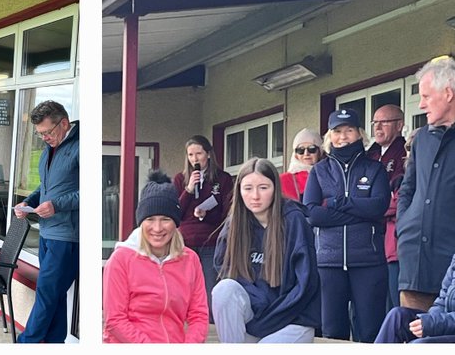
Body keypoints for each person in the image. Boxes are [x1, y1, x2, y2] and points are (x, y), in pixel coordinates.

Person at [214, 158, 321, 343]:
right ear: (239, 191)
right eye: (248, 188)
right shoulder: (234, 224)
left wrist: (267, 320)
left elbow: (305, 285)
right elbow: (224, 270)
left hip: (292, 320)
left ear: (275, 189)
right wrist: (258, 301)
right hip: (255, 318)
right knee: (224, 290)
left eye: (263, 187)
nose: (255, 196)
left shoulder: (294, 221)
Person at [304, 110, 389, 341]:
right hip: (328, 264)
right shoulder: (319, 171)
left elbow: (378, 207)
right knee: (332, 333)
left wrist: (336, 203)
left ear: (359, 133)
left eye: (349, 130)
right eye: (337, 131)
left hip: (368, 261)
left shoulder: (375, 169)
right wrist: (359, 212)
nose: (343, 137)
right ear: (329, 136)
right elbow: (312, 214)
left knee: (371, 332)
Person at [396, 58, 455, 312]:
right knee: (409, 330)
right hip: (414, 257)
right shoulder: (422, 139)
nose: (420, 104)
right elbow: (408, 187)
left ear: (448, 93)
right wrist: (404, 225)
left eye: (426, 96)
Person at [103, 170, 208, 342]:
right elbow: (115, 321)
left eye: (165, 219)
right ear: (141, 221)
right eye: (150, 219)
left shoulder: (190, 260)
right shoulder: (120, 260)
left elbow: (199, 315)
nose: (157, 228)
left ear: (175, 222)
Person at [13, 100, 80, 343]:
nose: (44, 138)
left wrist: (57, 205)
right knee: (55, 295)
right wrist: (27, 202)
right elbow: (45, 187)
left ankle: (26, 344)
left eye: (47, 132)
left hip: (67, 236)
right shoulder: (49, 149)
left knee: (46, 293)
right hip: (46, 233)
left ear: (64, 123)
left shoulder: (81, 147)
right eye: (40, 134)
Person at [375, 194, 455, 343]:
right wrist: (430, 321)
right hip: (444, 324)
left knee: (419, 345)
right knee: (397, 316)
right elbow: (442, 300)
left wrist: (435, 325)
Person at [169, 134, 233, 321]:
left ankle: (211, 325)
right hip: (186, 241)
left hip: (211, 240)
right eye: (190, 155)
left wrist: (207, 214)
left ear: (209, 154)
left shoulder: (223, 179)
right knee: (183, 286)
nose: (195, 159)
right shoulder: (180, 179)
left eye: (199, 153)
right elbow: (174, 213)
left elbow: (227, 211)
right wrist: (189, 189)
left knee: (210, 287)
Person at [366, 106, 408, 311]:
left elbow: (399, 200)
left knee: (393, 305)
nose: (378, 127)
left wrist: (366, 207)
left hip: (393, 240)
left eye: (384, 122)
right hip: (368, 241)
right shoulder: (369, 154)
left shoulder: (405, 154)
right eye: (375, 123)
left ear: (399, 125)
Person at [280, 129, 326, 202]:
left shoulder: (329, 175)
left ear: (320, 152)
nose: (306, 153)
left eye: (312, 149)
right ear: (295, 154)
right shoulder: (284, 180)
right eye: (300, 150)